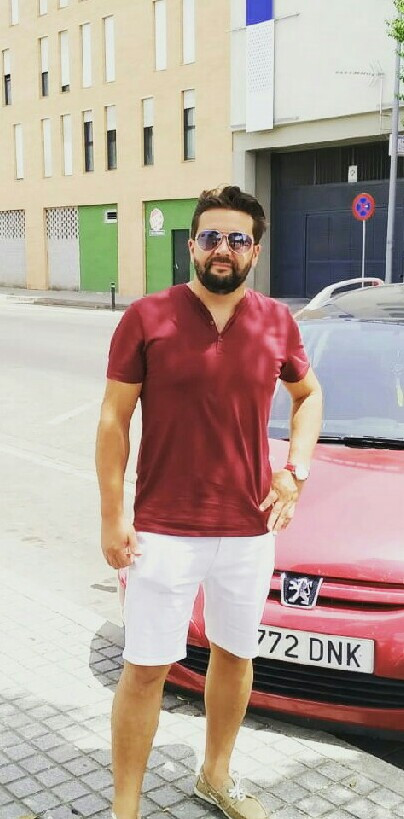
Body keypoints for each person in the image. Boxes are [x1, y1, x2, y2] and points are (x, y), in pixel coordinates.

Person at [95, 185, 323, 819]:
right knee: (146, 667)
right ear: (193, 245)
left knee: (235, 655)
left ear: (255, 251)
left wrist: (295, 472)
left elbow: (309, 397)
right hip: (163, 530)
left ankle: (215, 776)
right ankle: (124, 809)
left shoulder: (277, 322)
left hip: (248, 530)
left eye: (238, 239)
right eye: (212, 237)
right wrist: (113, 514)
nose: (224, 249)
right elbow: (114, 420)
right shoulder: (148, 317)